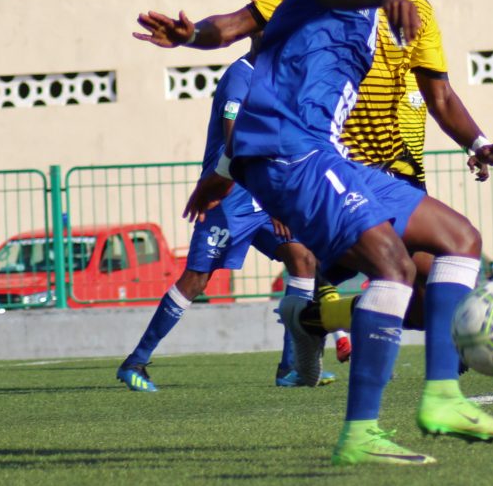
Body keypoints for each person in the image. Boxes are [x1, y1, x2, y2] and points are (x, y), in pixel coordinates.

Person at [135, 0, 493, 440]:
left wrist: (479, 145)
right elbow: (254, 23)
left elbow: (440, 95)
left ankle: (317, 322)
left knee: (454, 257)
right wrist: (198, 46)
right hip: (313, 167)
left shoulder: (413, 8)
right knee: (408, 277)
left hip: (375, 171)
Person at [116, 38, 334, 391]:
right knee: (197, 279)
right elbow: (235, 144)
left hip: (261, 194)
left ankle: (291, 367)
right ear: (261, 34)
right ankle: (136, 361)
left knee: (302, 258)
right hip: (228, 196)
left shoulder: (278, 79)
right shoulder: (240, 77)